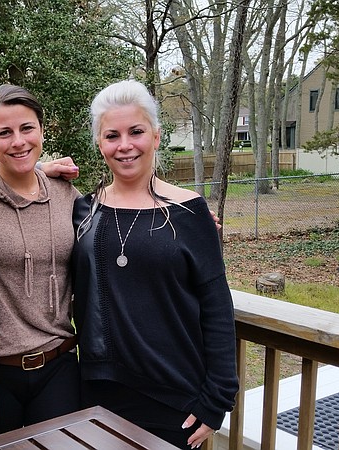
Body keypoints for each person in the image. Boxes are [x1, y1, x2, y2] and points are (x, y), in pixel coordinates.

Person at [71, 79, 239, 450]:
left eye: (136, 131)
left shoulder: (189, 213)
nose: (125, 145)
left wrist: (218, 399)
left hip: (174, 399)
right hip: (99, 391)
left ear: (157, 137)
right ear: (100, 144)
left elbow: (217, 308)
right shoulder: (85, 211)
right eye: (112, 135)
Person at [0, 84, 81, 432]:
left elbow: (110, 235)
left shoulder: (66, 192)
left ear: (42, 131)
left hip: (60, 364)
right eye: (4, 132)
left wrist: (179, 213)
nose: (18, 141)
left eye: (26, 128)